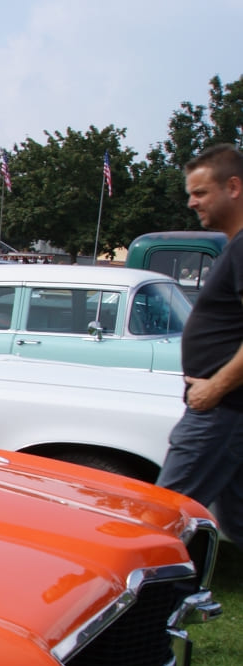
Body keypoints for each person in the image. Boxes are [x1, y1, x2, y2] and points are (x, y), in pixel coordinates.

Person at [157, 143, 243, 539]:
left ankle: (154, 600)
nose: (192, 202)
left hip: (220, 411)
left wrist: (215, 388)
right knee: (238, 519)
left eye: (201, 192)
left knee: (165, 516)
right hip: (225, 411)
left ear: (234, 187)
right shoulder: (233, 246)